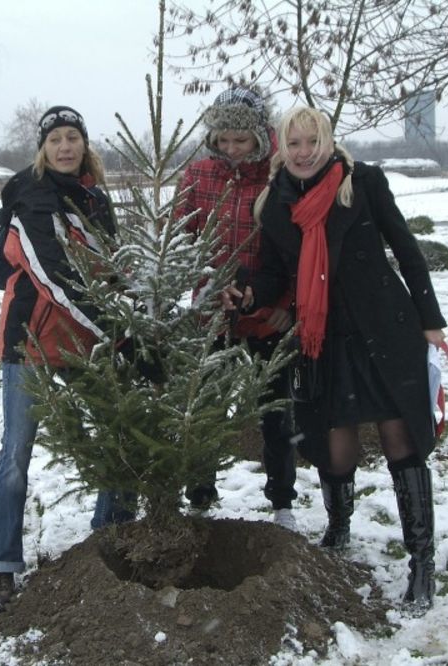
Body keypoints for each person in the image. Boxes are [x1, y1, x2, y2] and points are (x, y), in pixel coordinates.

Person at [225, 106, 448, 615]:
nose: (304, 153)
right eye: (294, 144)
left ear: (328, 141)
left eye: (312, 142)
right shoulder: (275, 204)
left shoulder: (362, 183)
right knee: (336, 443)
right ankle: (338, 529)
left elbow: (407, 250)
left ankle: (421, 562)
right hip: (323, 337)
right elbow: (278, 275)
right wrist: (249, 294)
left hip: (385, 329)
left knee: (400, 441)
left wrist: (430, 319)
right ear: (282, 148)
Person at [0, 105, 124, 611]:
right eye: (55, 139)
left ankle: (112, 538)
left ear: (85, 146)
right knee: (16, 454)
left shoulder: (95, 201)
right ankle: (0, 567)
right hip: (32, 343)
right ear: (42, 149)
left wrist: (132, 323)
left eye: (73, 138)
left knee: (117, 431)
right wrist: (118, 332)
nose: (65, 146)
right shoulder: (32, 198)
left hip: (85, 342)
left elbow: (112, 271)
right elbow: (54, 279)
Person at [174, 87, 298, 527]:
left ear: (261, 136)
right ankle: (200, 497)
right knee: (204, 406)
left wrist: (287, 304)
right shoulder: (198, 174)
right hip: (211, 312)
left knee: (275, 410)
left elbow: (294, 249)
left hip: (268, 314)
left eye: (240, 141)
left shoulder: (280, 176)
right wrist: (205, 285)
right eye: (223, 139)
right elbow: (179, 239)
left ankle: (282, 502)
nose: (230, 149)